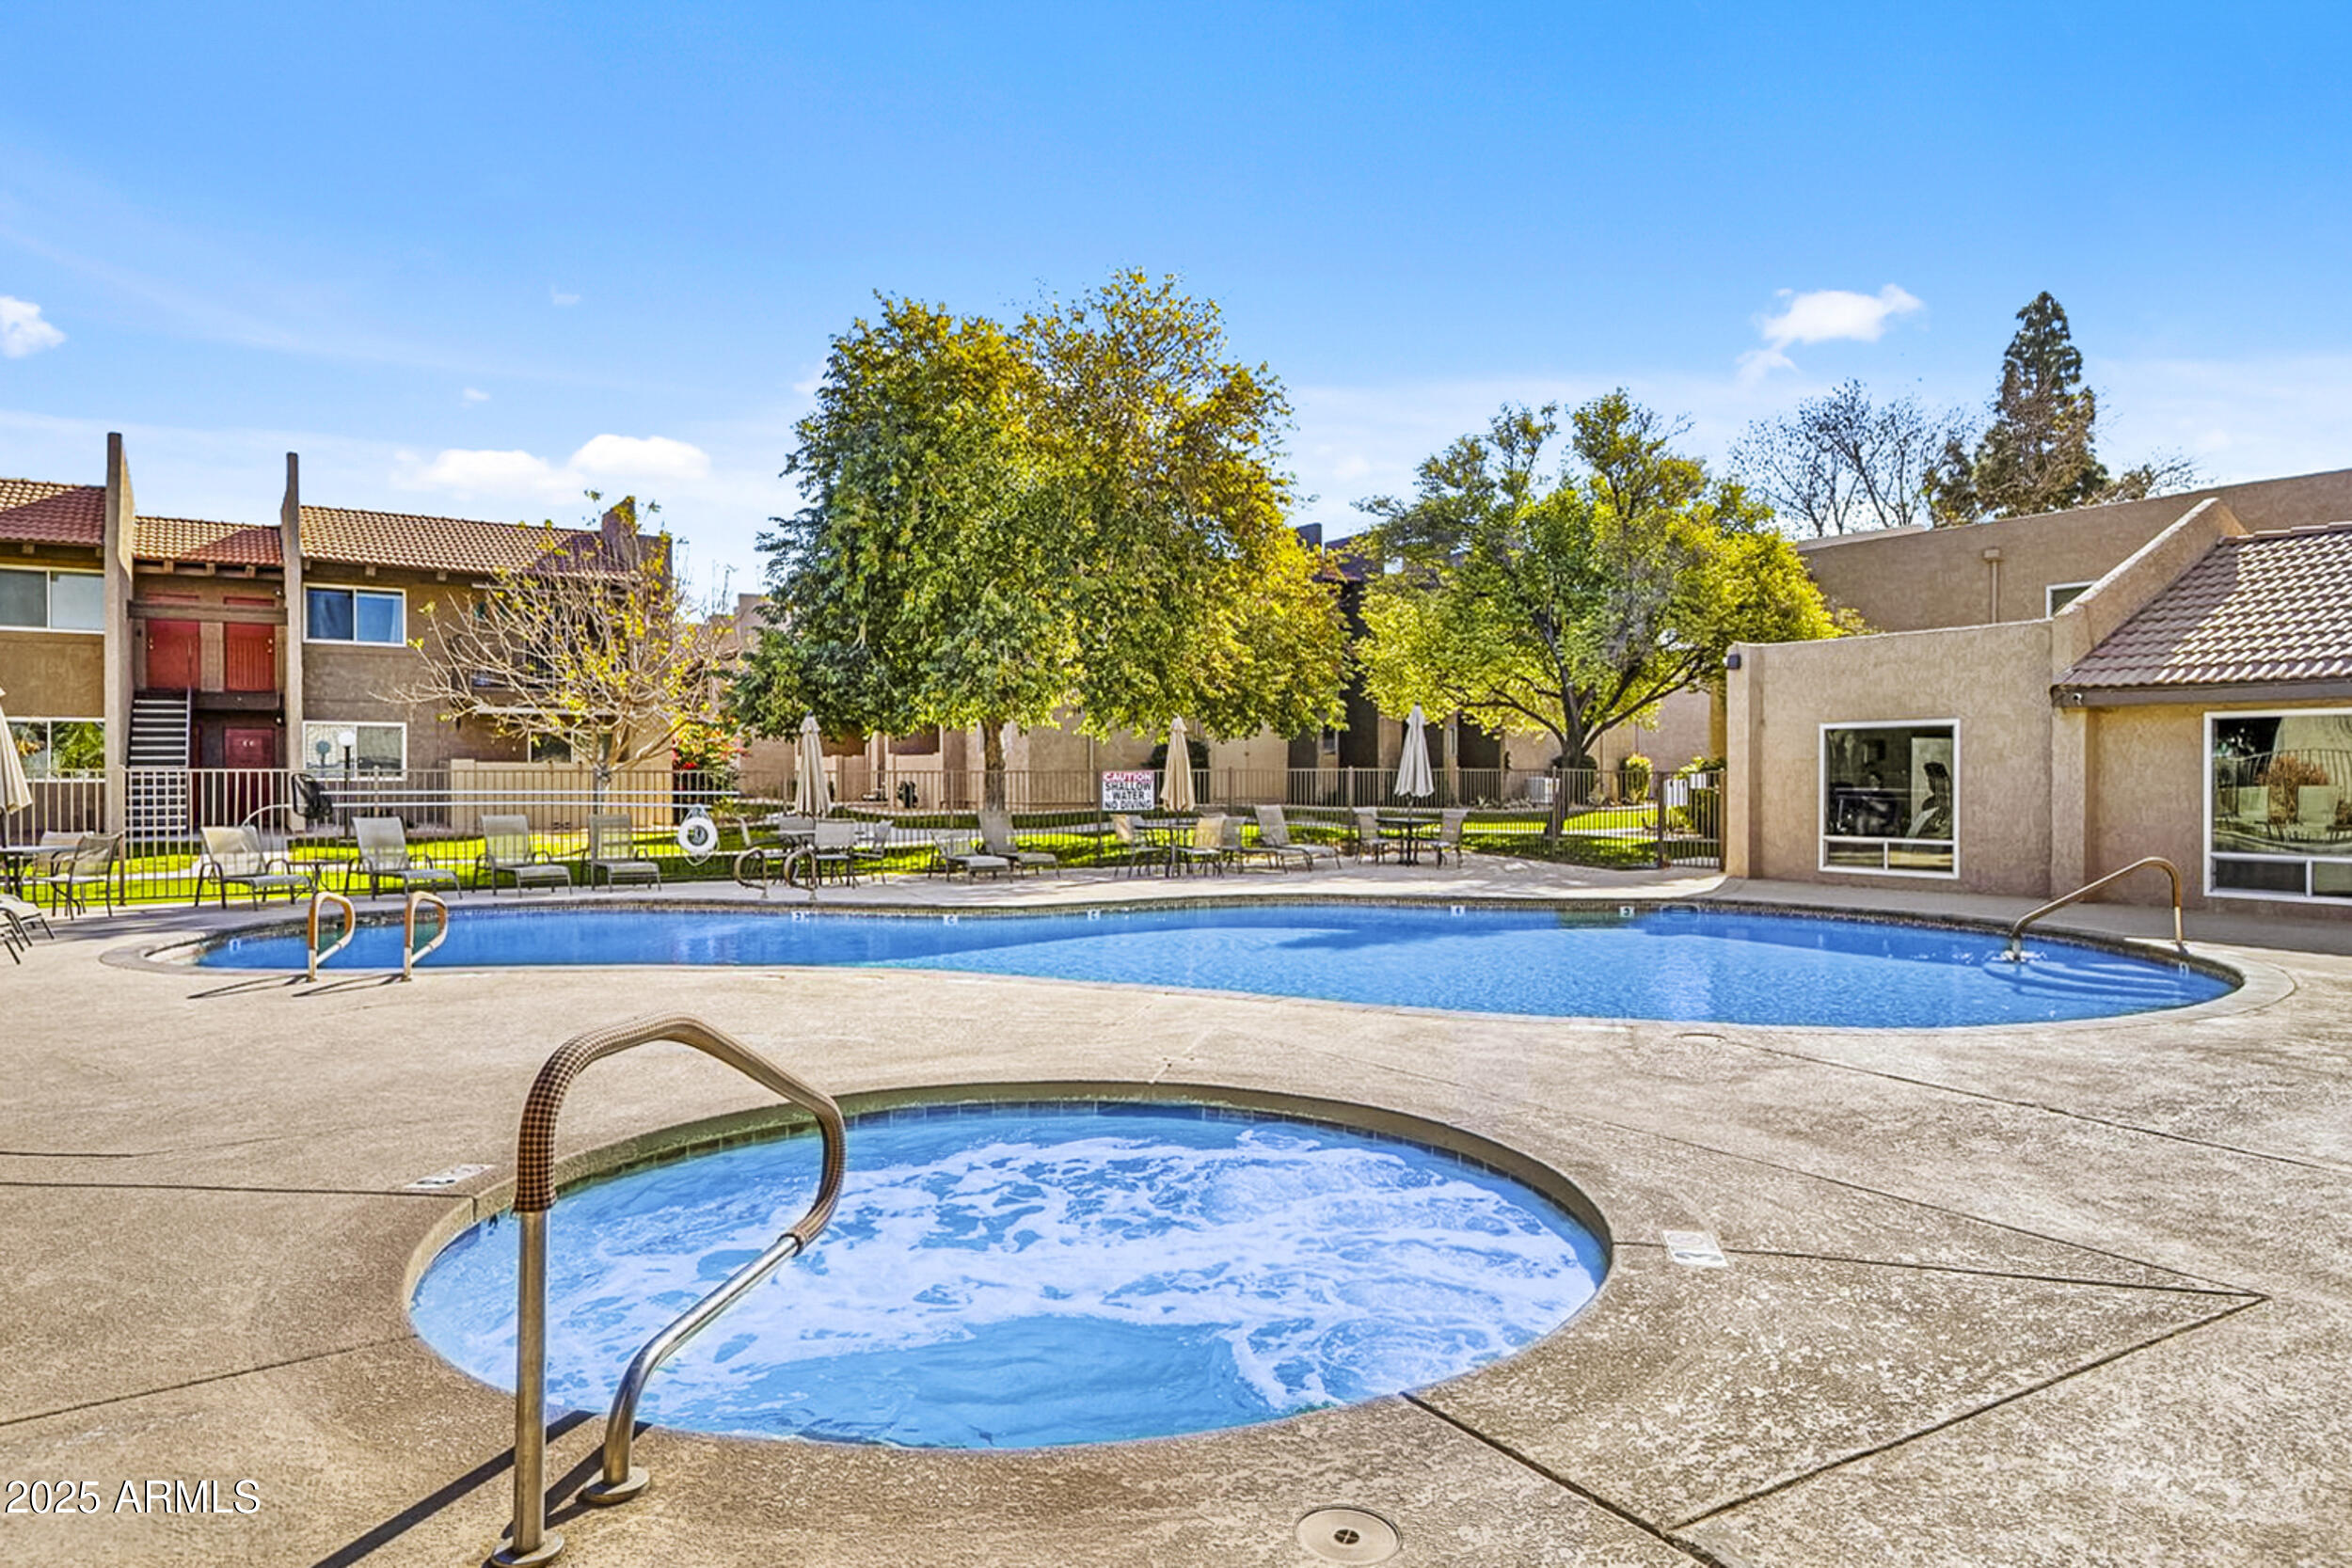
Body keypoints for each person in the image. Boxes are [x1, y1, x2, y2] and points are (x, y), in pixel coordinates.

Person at [1908, 760, 1953, 841]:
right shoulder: (1929, 803)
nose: (1929, 784)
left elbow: (1942, 831)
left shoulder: (1945, 803)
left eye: (1930, 780)